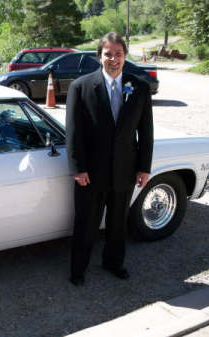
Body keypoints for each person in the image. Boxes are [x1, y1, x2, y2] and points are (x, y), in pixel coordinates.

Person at [65, 32, 153, 286]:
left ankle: (113, 263)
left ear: (125, 57)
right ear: (99, 56)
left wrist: (144, 167)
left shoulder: (139, 88)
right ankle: (78, 269)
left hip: (125, 171)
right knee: (86, 223)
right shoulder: (81, 87)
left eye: (118, 54)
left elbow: (146, 132)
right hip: (91, 172)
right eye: (108, 54)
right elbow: (73, 133)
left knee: (118, 223)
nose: (113, 59)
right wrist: (78, 168)